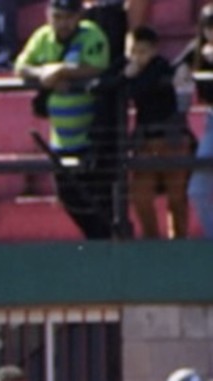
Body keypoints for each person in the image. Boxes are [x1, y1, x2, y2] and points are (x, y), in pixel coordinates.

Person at [15, 0, 113, 240]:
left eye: (67, 17)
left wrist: (63, 71)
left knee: (100, 199)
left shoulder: (91, 34)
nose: (62, 23)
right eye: (57, 17)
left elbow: (98, 66)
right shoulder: (43, 37)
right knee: (68, 196)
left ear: (79, 16)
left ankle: (105, 243)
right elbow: (21, 66)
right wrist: (42, 74)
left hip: (92, 136)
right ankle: (94, 240)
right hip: (61, 137)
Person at [122, 24, 193, 239]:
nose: (137, 57)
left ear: (154, 50)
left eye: (142, 51)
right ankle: (151, 239)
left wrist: (129, 77)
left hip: (173, 140)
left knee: (177, 197)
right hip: (145, 141)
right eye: (132, 51)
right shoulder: (127, 68)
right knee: (140, 195)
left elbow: (141, 86)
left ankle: (179, 241)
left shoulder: (161, 67)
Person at [180, 5, 213, 237]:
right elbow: (174, 70)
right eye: (210, 26)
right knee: (197, 190)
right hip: (212, 121)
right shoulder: (198, 50)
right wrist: (181, 74)